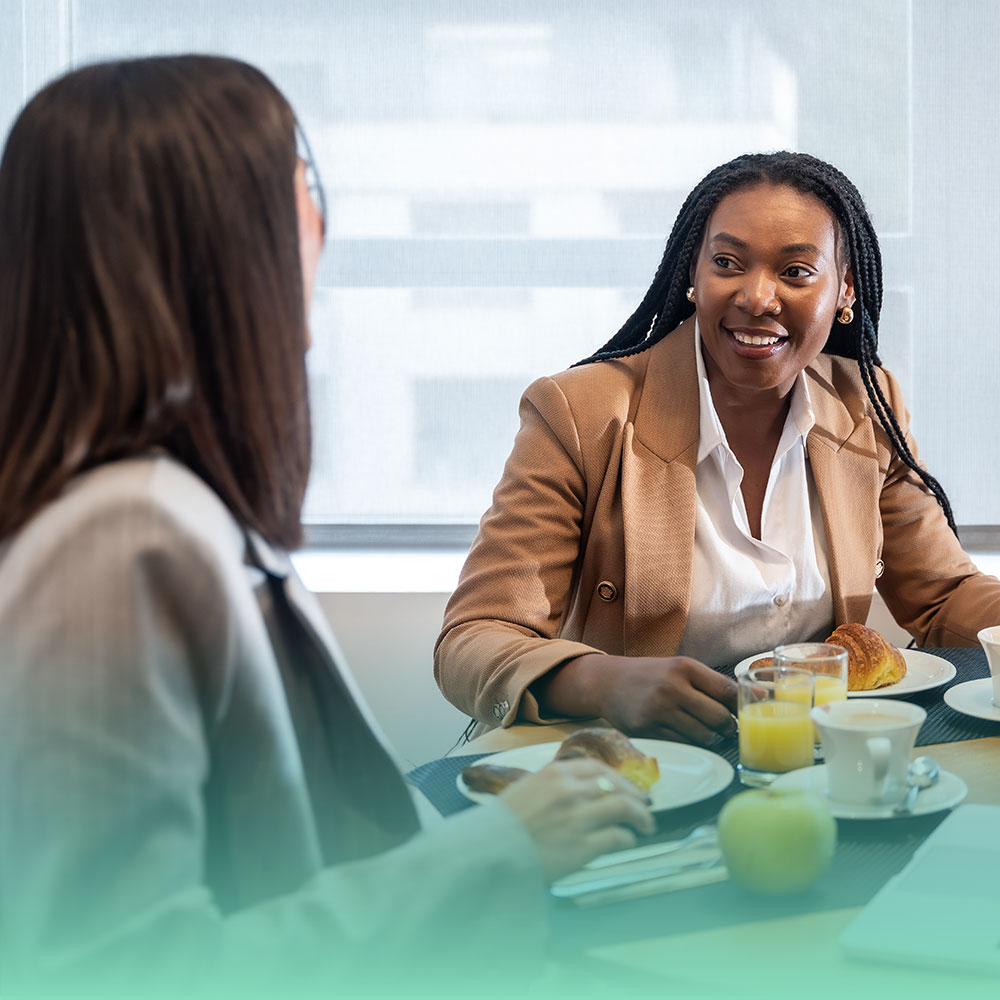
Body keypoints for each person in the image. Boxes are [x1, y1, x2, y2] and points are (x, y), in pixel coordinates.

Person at [0, 56, 655, 997]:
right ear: (221, 245)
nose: (322, 226)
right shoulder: (117, 544)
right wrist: (503, 851)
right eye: (302, 187)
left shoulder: (176, 508)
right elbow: (118, 969)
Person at [435, 151, 1000, 744]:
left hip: (804, 761)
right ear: (693, 273)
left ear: (845, 290)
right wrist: (603, 682)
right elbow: (474, 638)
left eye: (797, 272)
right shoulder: (582, 413)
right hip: (628, 767)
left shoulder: (865, 405)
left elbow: (942, 597)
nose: (757, 297)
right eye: (728, 262)